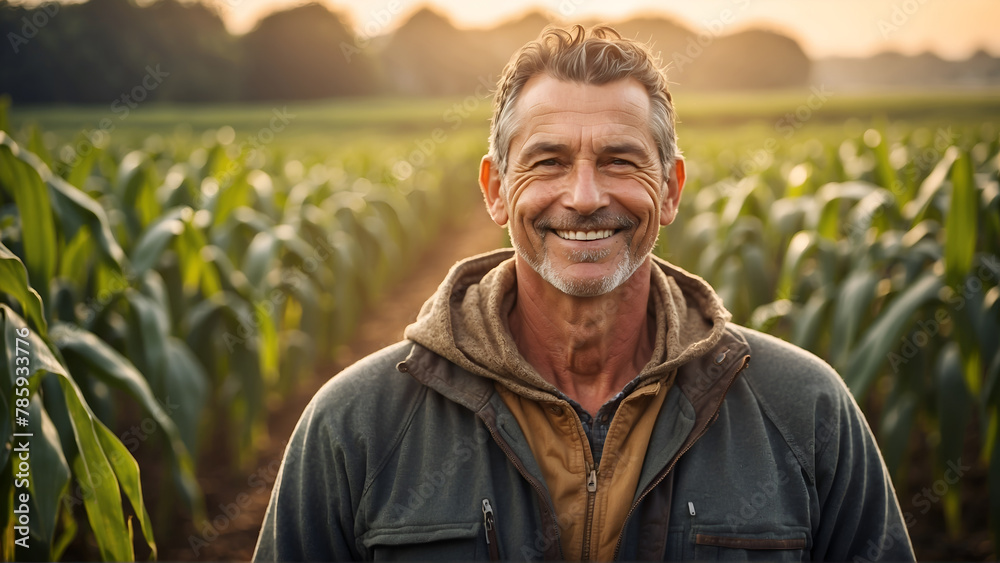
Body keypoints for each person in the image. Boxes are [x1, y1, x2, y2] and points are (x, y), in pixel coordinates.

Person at [253, 25, 915, 561]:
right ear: (494, 188)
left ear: (672, 188)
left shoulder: (805, 412)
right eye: (548, 160)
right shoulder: (356, 427)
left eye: (620, 160)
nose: (585, 196)